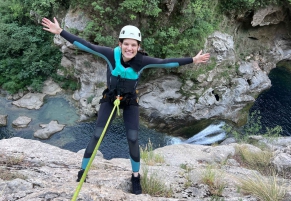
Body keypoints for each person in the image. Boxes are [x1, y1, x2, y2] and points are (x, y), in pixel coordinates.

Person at [41, 17, 210, 195]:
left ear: (138, 47)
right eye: (126, 44)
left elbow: (166, 62)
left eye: (133, 45)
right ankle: (83, 171)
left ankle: (135, 176)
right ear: (120, 44)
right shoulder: (109, 55)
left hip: (130, 102)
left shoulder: (142, 61)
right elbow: (86, 45)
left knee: (133, 138)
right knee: (97, 134)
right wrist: (61, 32)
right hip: (110, 99)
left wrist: (192, 60)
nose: (129, 48)